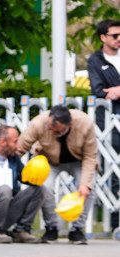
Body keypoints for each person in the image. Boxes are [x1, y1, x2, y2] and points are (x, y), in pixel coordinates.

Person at [16, 106, 98, 244]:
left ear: (70, 124)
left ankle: (77, 230)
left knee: (88, 188)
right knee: (44, 187)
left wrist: (85, 184)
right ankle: (51, 228)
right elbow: (20, 148)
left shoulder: (85, 123)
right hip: (48, 159)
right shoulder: (38, 123)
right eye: (50, 129)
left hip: (78, 160)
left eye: (58, 131)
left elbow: (90, 155)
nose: (53, 133)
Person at [87, 18, 120, 231]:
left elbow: (113, 92)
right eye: (115, 35)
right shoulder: (95, 60)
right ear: (103, 38)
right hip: (110, 122)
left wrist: (118, 90)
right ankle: (116, 223)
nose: (119, 39)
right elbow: (99, 91)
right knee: (114, 171)